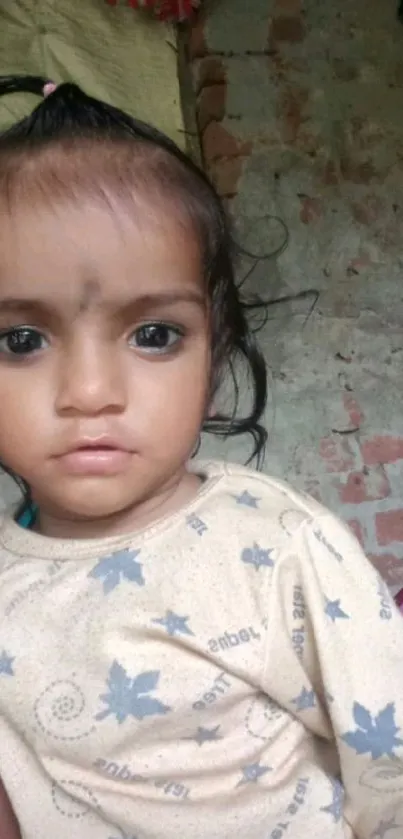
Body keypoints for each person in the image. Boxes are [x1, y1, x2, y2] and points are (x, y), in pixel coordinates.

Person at [0, 75, 402, 839]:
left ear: (214, 356)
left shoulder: (274, 544)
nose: (90, 392)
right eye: (20, 340)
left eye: (153, 334)